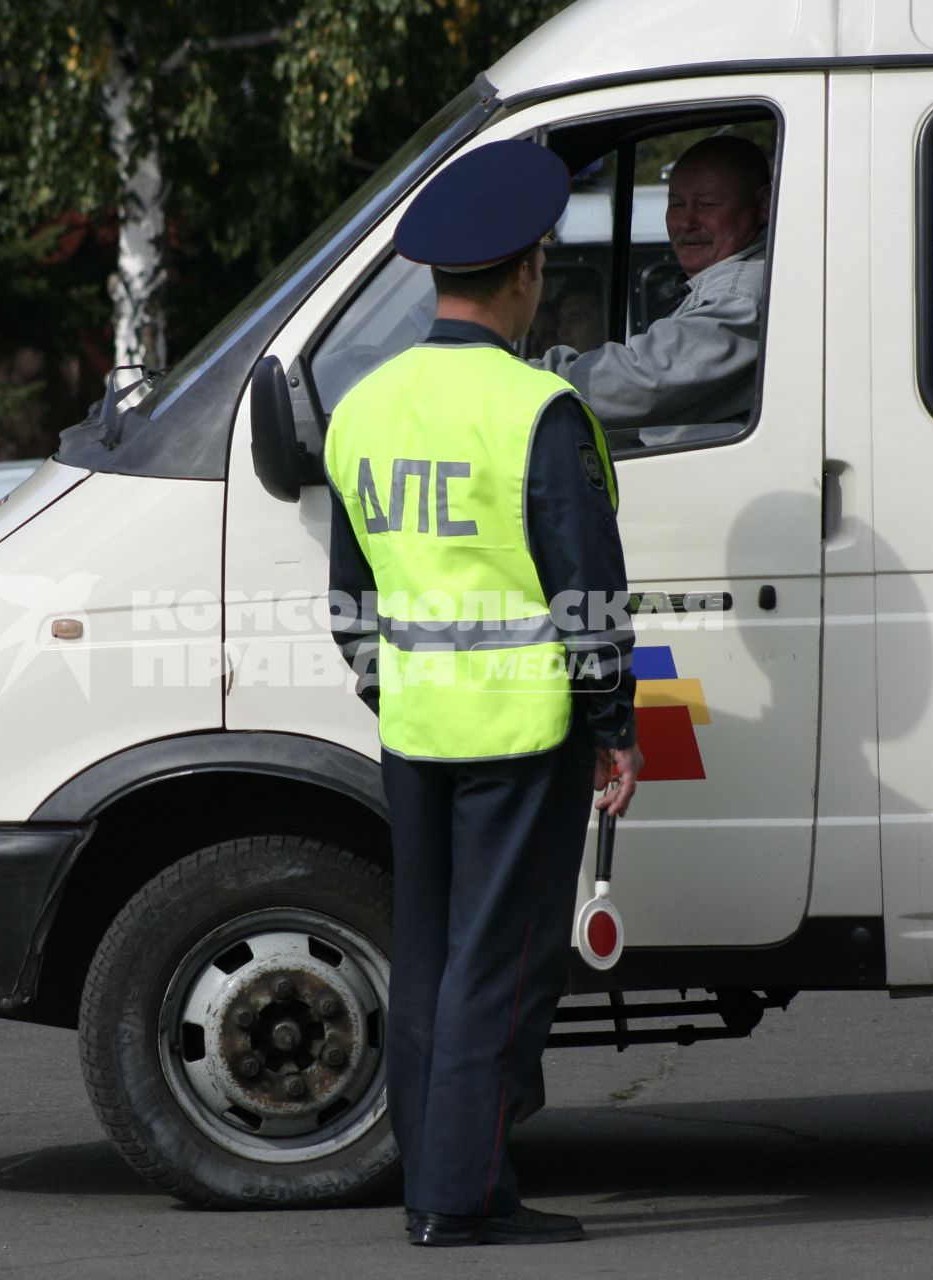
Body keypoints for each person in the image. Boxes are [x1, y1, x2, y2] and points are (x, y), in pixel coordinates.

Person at [323, 139, 645, 1248]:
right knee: (502, 969)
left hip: (417, 731)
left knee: (429, 959)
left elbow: (350, 603)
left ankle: (456, 1175)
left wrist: (396, 692)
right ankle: (455, 1200)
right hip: (522, 728)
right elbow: (586, 593)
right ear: (524, 275)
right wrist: (614, 728)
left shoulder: (363, 408)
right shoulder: (538, 412)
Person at [537, 134, 771, 432]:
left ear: (763, 205)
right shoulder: (721, 282)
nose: (687, 222)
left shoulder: (742, 294)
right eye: (676, 205)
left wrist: (527, 380)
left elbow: (646, 380)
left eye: (708, 205)